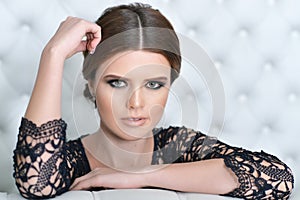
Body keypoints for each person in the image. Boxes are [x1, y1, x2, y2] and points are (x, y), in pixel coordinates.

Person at [13, 3, 294, 199]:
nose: (136, 102)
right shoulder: (70, 161)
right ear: (91, 84)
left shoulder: (179, 146)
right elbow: (35, 183)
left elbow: (277, 178)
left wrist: (141, 175)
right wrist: (53, 54)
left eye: (153, 84)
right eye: (117, 82)